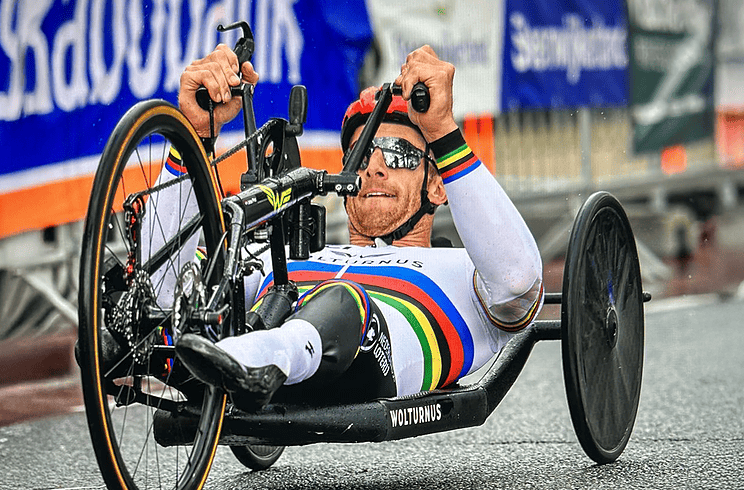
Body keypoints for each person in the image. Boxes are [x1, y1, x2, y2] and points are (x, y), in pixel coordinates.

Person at [166, 44, 543, 412]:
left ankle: (261, 357)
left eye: (398, 154)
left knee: (343, 297)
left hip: (369, 360)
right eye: (360, 156)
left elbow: (517, 279)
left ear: (436, 184)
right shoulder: (285, 260)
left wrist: (442, 130)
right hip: (242, 353)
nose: (374, 168)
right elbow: (171, 287)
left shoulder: (465, 272)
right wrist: (195, 133)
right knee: (188, 299)